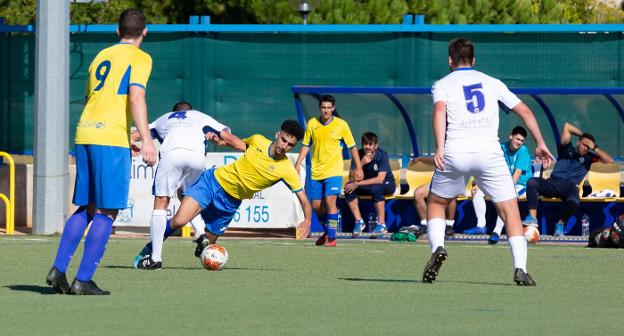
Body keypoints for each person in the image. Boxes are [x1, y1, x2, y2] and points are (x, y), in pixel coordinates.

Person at [421, 37, 554, 286]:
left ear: (450, 60)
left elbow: (439, 111)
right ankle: (520, 269)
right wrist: (541, 143)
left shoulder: (442, 84)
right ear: (474, 60)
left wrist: (439, 148)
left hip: (455, 152)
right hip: (489, 155)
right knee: (510, 211)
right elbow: (525, 110)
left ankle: (438, 248)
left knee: (436, 202)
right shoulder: (492, 83)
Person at [45, 9, 157, 295]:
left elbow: (89, 99)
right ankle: (83, 279)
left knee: (87, 207)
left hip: (85, 132)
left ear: (118, 32)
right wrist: (146, 139)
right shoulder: (141, 57)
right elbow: (136, 96)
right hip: (109, 138)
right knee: (107, 212)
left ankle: (58, 269)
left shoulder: (100, 56)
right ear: (144, 32)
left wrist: (124, 135)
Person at [135, 120, 313, 259]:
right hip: (213, 182)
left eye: (290, 144)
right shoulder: (258, 140)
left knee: (207, 249)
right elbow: (241, 145)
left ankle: (200, 234)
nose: (284, 145)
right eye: (283, 139)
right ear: (277, 134)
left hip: (230, 203)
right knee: (179, 221)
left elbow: (303, 199)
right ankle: (149, 251)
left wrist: (307, 220)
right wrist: (220, 142)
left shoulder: (286, 169)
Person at [132, 101, 246, 270]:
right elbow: (228, 136)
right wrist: (248, 149)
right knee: (188, 195)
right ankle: (201, 234)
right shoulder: (200, 116)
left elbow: (135, 135)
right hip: (197, 159)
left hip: (173, 155)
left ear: (174, 112)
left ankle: (155, 258)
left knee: (161, 205)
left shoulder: (163, 119)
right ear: (190, 111)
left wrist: (132, 143)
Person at [294, 95, 363, 247]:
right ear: (320, 108)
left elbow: (352, 147)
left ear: (333, 108)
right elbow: (306, 145)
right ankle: (328, 231)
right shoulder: (312, 123)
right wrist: (298, 163)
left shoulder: (342, 125)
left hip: (334, 171)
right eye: (323, 108)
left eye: (328, 108)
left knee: (330, 202)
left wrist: (358, 167)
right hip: (316, 171)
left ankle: (331, 239)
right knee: (317, 207)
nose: (326, 111)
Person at [522, 122, 613, 236]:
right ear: (578, 142)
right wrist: (583, 135)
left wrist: (593, 146)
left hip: (570, 187)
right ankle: (532, 218)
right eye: (584, 144)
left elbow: (609, 160)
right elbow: (567, 126)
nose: (586, 148)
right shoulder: (566, 148)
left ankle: (560, 223)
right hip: (553, 182)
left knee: (574, 202)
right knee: (531, 182)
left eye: (588, 147)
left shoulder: (590, 158)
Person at [462, 126, 533, 245]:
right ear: (511, 136)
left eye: (521, 140)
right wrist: (479, 184)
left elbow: (517, 173)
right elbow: (489, 167)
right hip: (500, 181)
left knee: (507, 197)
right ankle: (481, 226)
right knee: (476, 191)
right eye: (517, 139)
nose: (519, 142)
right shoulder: (501, 148)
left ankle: (496, 232)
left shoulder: (523, 151)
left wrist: (507, 189)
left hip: (519, 185)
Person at [344, 132, 395, 238]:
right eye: (365, 144)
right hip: (367, 185)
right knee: (348, 188)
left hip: (387, 184)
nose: (367, 147)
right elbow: (351, 177)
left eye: (370, 144)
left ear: (376, 146)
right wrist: (361, 163)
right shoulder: (358, 155)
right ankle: (359, 222)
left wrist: (357, 184)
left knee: (376, 188)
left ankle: (382, 224)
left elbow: (380, 179)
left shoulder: (382, 155)